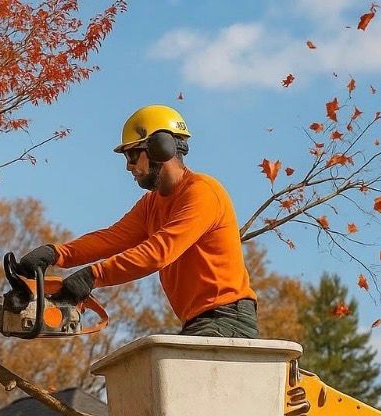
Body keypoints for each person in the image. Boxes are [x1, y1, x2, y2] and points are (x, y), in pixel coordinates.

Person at [16, 105, 258, 338]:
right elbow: (111, 238)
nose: (128, 167)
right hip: (202, 321)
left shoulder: (202, 192)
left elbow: (158, 252)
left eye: (132, 155)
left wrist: (92, 276)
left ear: (159, 149)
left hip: (226, 318)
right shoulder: (152, 203)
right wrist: (55, 254)